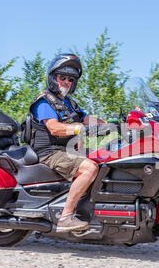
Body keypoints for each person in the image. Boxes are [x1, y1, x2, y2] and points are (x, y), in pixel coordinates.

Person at [29, 53, 105, 233]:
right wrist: (78, 129)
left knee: (106, 158)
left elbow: (89, 120)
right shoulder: (44, 101)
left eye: (70, 79)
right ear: (53, 78)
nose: (66, 82)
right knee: (90, 168)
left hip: (67, 150)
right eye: (62, 77)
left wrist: (120, 124)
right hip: (49, 152)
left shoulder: (70, 103)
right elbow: (54, 128)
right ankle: (65, 216)